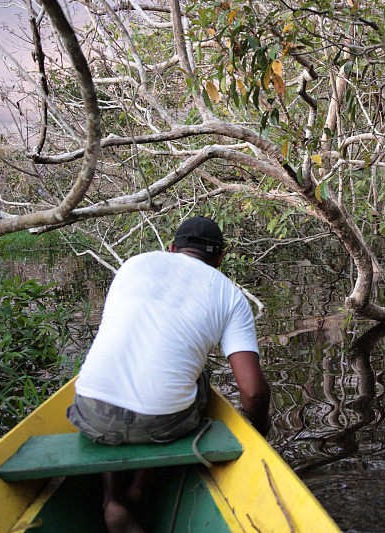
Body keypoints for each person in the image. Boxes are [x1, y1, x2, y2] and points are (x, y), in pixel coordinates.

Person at [66, 216, 271, 533]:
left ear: (172, 248)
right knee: (196, 379)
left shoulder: (133, 265)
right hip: (161, 421)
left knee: (118, 381)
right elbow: (253, 391)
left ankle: (113, 498)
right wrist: (260, 429)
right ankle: (139, 487)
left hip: (92, 409)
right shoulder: (231, 296)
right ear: (220, 258)